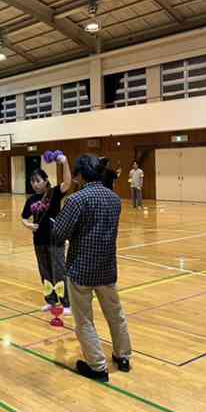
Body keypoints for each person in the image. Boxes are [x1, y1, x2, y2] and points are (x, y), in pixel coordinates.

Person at [52, 155, 132, 383]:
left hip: (81, 269)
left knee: (84, 320)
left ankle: (97, 366)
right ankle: (123, 356)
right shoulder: (114, 199)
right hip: (107, 267)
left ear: (80, 175)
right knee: (115, 314)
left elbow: (59, 234)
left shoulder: (76, 200)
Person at [21, 155, 73, 314]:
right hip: (39, 240)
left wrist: (65, 162)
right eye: (32, 181)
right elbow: (24, 217)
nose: (35, 184)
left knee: (59, 271)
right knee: (45, 272)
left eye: (38, 181)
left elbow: (67, 183)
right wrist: (29, 225)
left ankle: (67, 303)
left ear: (45, 181)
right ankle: (51, 301)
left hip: (55, 239)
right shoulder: (30, 200)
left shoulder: (54, 193)